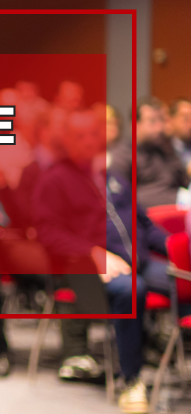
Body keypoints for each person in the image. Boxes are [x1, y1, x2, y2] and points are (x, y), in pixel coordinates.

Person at [33, 110, 157, 413]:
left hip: (137, 259)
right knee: (131, 289)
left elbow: (145, 223)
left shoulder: (110, 177)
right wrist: (93, 252)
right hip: (82, 268)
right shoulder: (55, 180)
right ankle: (131, 380)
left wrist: (173, 245)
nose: (89, 142)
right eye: (81, 137)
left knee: (181, 280)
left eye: (93, 135)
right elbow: (48, 234)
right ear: (66, 141)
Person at [109, 97, 188, 207]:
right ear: (135, 124)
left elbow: (184, 182)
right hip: (146, 215)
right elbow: (121, 200)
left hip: (179, 211)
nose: (159, 127)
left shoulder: (165, 150)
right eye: (152, 121)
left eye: (161, 120)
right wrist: (178, 199)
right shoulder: (121, 156)